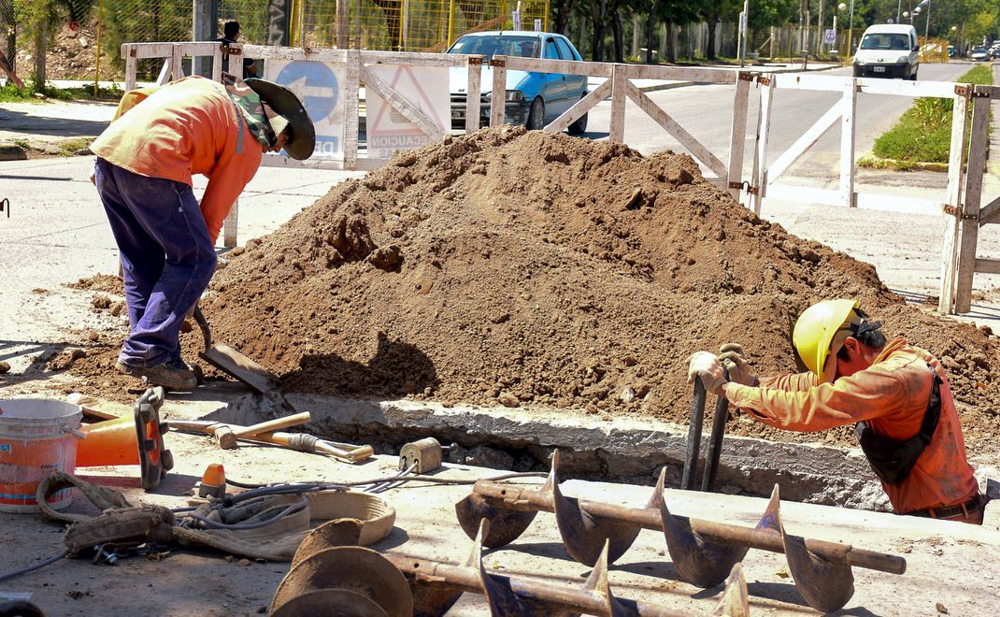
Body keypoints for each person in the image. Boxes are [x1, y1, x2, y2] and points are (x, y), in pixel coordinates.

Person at [90, 73, 314, 390]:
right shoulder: (248, 141)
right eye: (283, 141)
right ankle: (146, 352)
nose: (276, 150)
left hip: (109, 158)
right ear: (275, 123)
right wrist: (192, 283)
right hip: (154, 165)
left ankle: (158, 358)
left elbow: (135, 99)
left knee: (143, 262)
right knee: (196, 258)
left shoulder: (202, 86)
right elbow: (211, 215)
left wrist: (110, 160)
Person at [687, 299, 984, 524]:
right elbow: (808, 387)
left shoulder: (895, 378)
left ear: (852, 346)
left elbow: (813, 407)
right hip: (937, 515)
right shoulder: (894, 366)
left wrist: (726, 389)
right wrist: (752, 384)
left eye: (834, 374)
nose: (834, 383)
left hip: (946, 523)